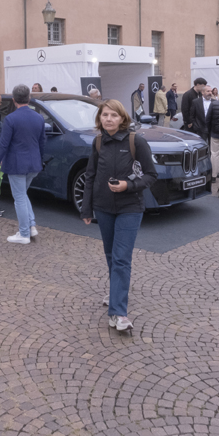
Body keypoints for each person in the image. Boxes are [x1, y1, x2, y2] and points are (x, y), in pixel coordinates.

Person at [79, 99, 157, 333]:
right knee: (111, 254)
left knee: (122, 258)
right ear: (100, 119)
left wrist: (128, 185)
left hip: (130, 207)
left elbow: (151, 175)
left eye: (113, 115)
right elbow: (90, 175)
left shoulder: (137, 141)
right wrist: (86, 208)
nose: (109, 119)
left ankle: (118, 313)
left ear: (122, 118)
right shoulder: (99, 142)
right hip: (103, 208)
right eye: (105, 115)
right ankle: (115, 294)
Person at [0, 84, 46, 244]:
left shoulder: (11, 119)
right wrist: (40, 159)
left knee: (20, 197)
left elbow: (3, 144)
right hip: (34, 162)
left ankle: (24, 233)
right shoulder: (38, 117)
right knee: (23, 194)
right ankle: (30, 226)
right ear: (29, 98)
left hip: (17, 164)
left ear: (14, 100)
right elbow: (42, 142)